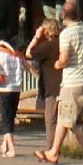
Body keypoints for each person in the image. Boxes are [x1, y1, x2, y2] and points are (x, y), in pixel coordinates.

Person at [35, 1, 83, 165]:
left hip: (72, 82)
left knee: (64, 119)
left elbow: (64, 59)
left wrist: (57, 64)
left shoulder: (66, 34)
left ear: (63, 16)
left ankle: (53, 152)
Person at [25, 15, 61, 146]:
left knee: (51, 120)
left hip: (52, 88)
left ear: (46, 30)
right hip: (66, 85)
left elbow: (28, 53)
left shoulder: (47, 46)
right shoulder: (63, 43)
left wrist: (36, 36)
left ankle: (51, 148)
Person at [0, 39, 25, 158]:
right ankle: (5, 145)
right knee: (11, 117)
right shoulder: (18, 56)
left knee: (6, 119)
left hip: (4, 89)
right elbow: (29, 67)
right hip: (16, 89)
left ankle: (12, 149)